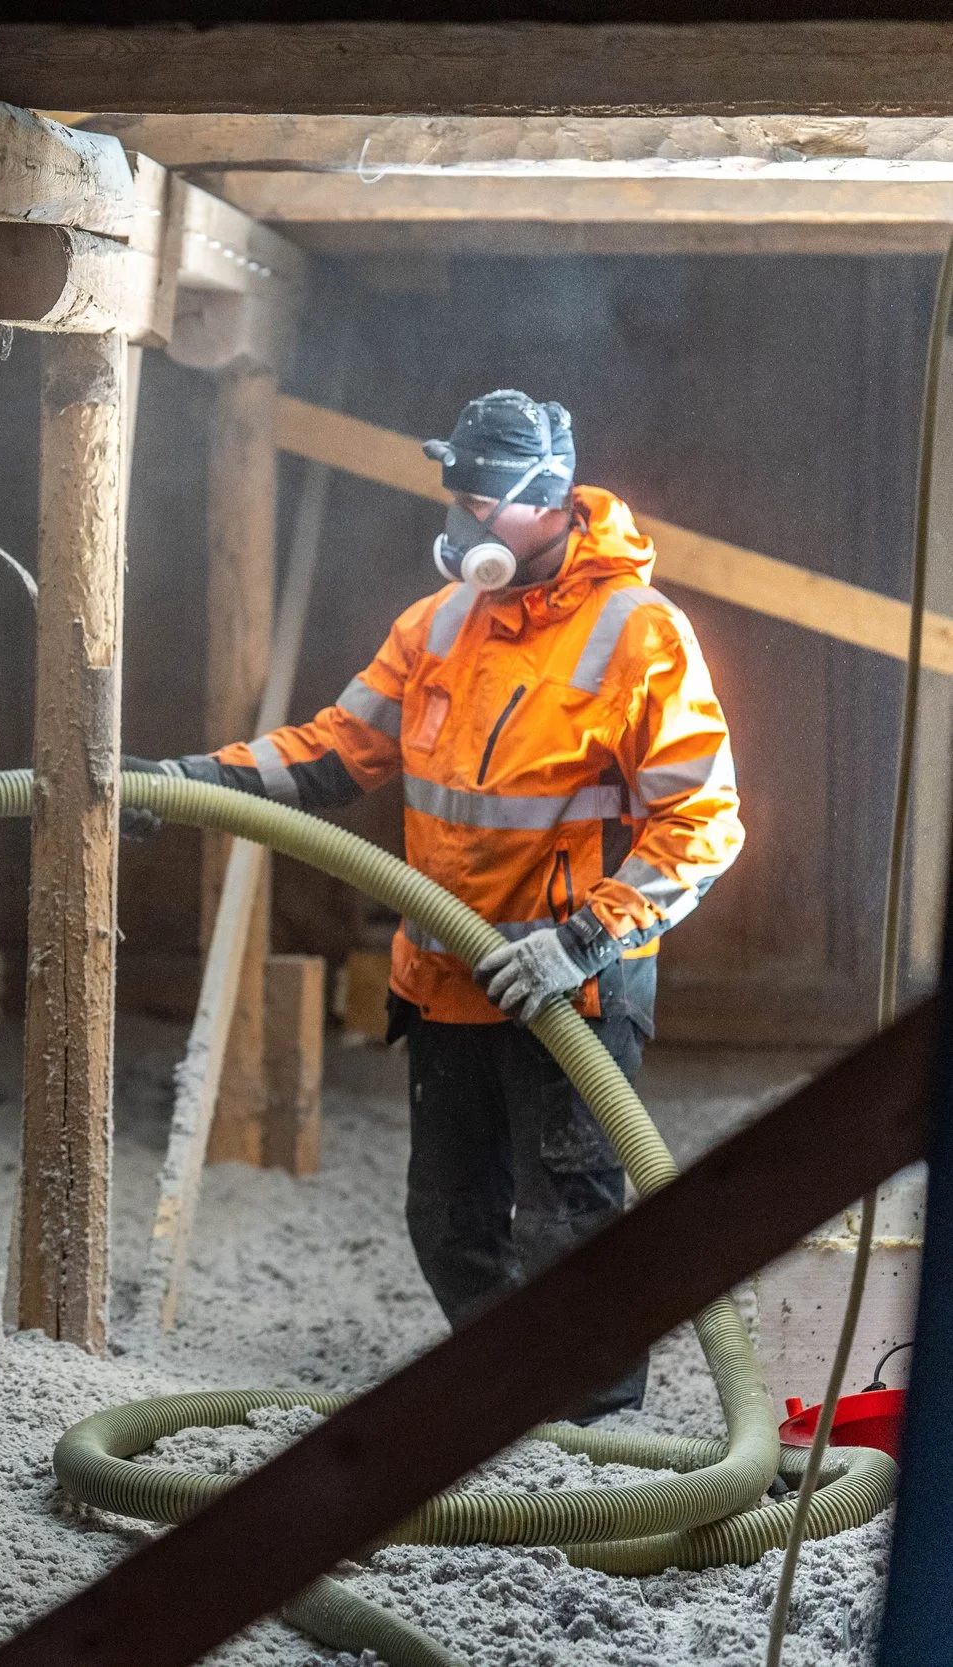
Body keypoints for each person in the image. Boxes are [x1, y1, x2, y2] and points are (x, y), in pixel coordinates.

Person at [132, 388, 744, 1418]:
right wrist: (182, 779)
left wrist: (583, 937)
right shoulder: (437, 622)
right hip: (449, 979)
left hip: (569, 990)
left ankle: (596, 1444)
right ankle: (511, 1395)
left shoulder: (641, 634)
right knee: (448, 1221)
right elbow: (333, 753)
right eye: (453, 497)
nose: (459, 523)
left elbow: (702, 822)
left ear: (548, 503)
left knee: (571, 1230)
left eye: (479, 503)